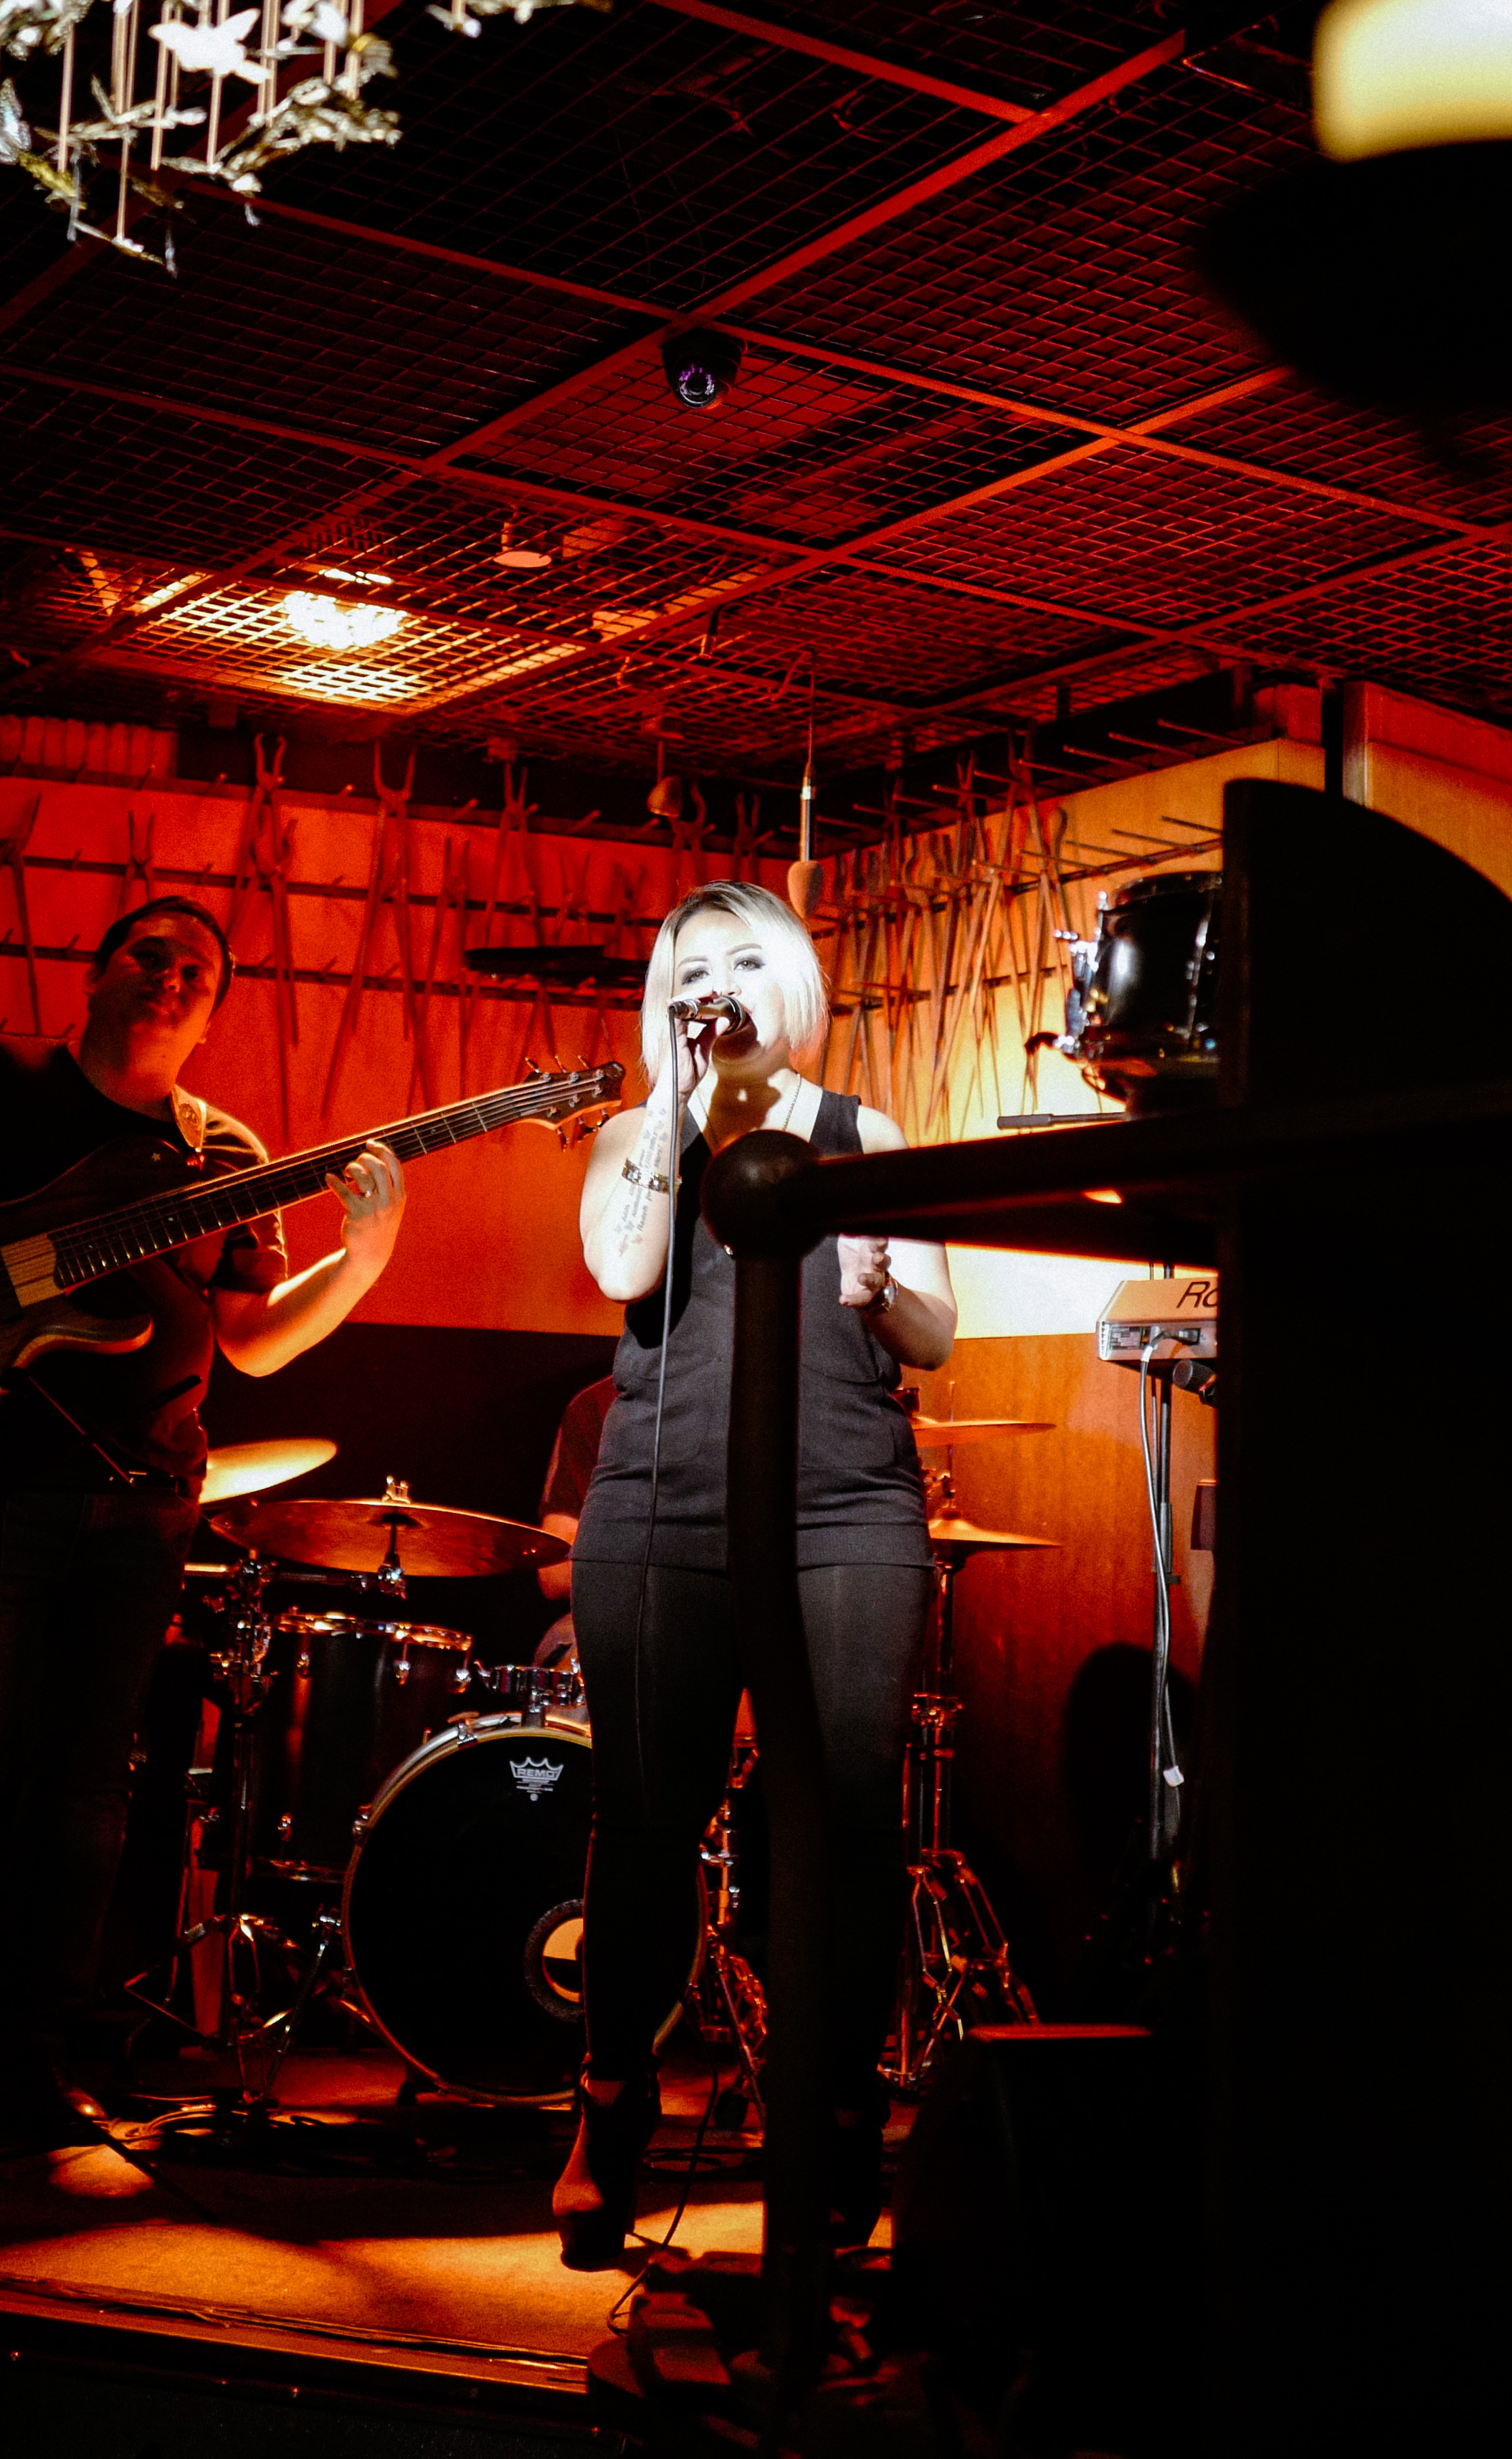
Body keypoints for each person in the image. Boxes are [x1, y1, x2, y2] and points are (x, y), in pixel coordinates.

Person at [0, 893, 404, 2146]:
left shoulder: (225, 1154)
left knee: (82, 1794)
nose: (170, 977)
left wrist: (358, 1263)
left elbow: (251, 1341)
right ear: (96, 970)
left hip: (139, 1501)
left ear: (212, 1012)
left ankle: (24, 2065)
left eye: (198, 971)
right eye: (149, 953)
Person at [551, 882, 954, 2267]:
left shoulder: (860, 1132)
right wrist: (675, 1105)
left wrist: (882, 1289)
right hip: (660, 1507)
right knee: (643, 1820)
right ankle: (610, 2103)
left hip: (843, 1503)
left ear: (787, 979)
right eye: (687, 968)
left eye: (738, 960)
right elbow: (623, 1266)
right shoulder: (633, 1132)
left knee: (840, 1821)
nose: (711, 984)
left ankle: (833, 2118)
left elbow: (936, 1332)